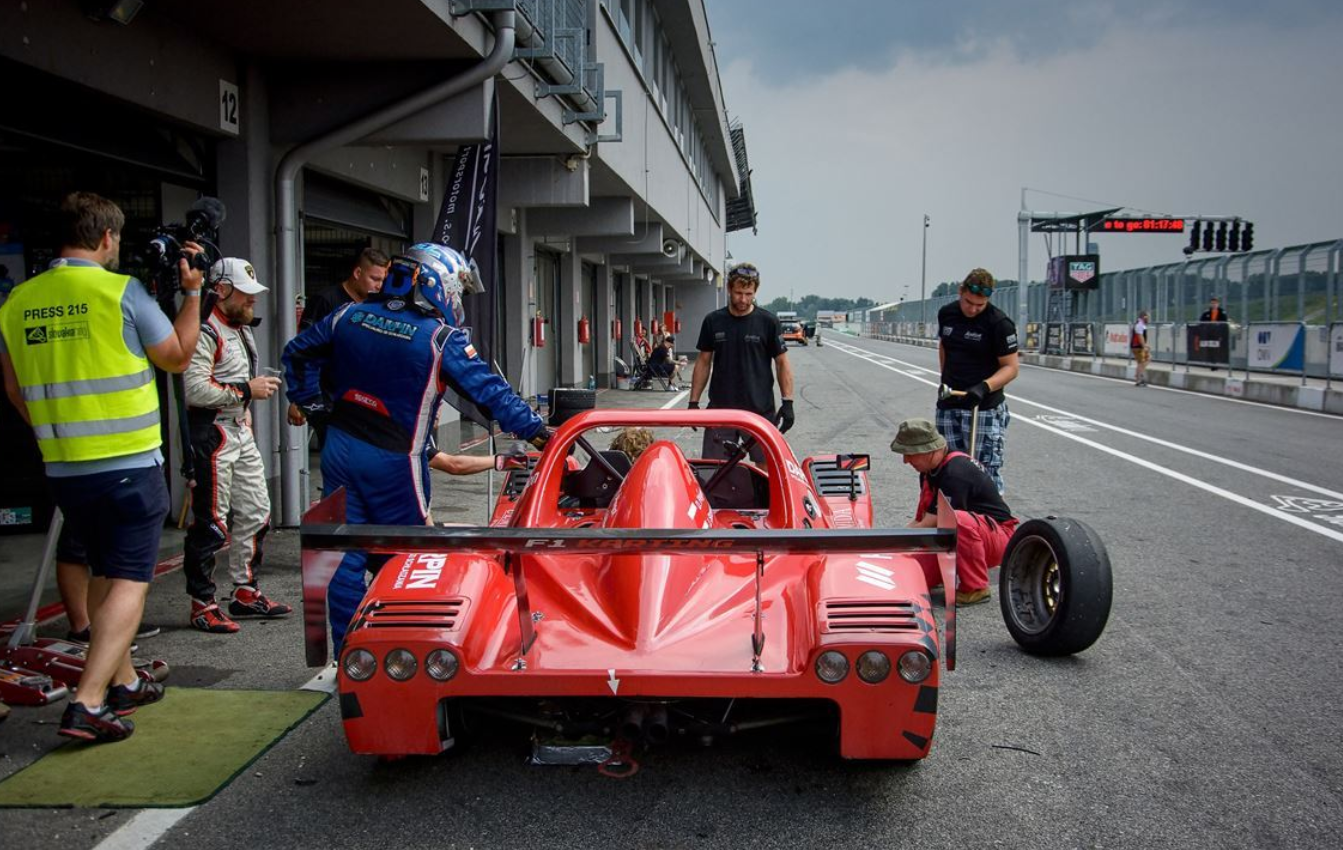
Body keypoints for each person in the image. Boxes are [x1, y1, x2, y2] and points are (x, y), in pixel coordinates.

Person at [0, 192, 203, 743]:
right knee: (130, 582)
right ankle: (89, 704)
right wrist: (191, 295)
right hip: (129, 464)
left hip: (64, 468)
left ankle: (125, 679)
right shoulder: (121, 292)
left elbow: (14, 389)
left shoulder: (17, 300)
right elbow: (177, 357)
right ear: (108, 238)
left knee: (100, 570)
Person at [283, 242, 547, 653]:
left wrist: (318, 411)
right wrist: (537, 431)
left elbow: (296, 355)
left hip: (339, 448)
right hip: (395, 461)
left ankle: (346, 654)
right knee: (410, 557)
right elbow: (490, 392)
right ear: (436, 283)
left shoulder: (346, 315)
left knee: (343, 555)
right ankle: (401, 654)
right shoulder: (441, 338)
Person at [181, 257, 292, 633]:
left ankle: (245, 591)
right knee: (211, 523)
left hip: (238, 431)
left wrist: (244, 406)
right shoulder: (204, 330)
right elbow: (192, 389)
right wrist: (247, 390)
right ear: (222, 290)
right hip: (211, 434)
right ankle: (202, 602)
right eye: (246, 295)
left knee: (258, 512)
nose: (253, 302)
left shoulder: (240, 328)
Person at [890, 418, 1018, 606]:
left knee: (955, 519)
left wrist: (888, 546)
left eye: (909, 454)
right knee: (905, 575)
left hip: (997, 538)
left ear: (929, 450)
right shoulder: (930, 470)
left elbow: (929, 525)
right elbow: (923, 519)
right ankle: (945, 573)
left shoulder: (955, 472)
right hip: (965, 538)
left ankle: (976, 588)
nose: (905, 460)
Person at [689, 262, 795, 462]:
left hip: (759, 411)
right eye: (738, 293)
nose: (743, 299)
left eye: (749, 294)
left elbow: (782, 363)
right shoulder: (713, 321)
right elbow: (703, 362)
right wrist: (693, 402)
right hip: (720, 411)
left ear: (755, 291)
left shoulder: (768, 322)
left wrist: (788, 402)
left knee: (766, 470)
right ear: (729, 289)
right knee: (713, 472)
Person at [935, 268, 1018, 493]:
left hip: (983, 408)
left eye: (979, 305)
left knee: (984, 472)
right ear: (960, 292)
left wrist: (985, 386)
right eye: (968, 302)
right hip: (950, 404)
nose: (972, 309)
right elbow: (944, 346)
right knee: (947, 468)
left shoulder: (999, 323)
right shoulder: (947, 313)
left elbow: (1011, 367)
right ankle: (953, 521)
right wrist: (946, 378)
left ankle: (989, 524)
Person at [289, 247, 391, 432]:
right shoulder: (326, 301)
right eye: (374, 279)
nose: (378, 286)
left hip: (364, 400)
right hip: (330, 400)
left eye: (382, 281)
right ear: (357, 273)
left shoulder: (375, 307)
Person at [1199, 296, 1230, 371]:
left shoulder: (1222, 313)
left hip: (1218, 333)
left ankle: (1216, 363)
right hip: (1209, 333)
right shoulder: (1206, 313)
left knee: (1217, 348)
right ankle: (1212, 362)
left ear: (1218, 304)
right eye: (1212, 303)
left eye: (1215, 303)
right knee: (1210, 348)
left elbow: (1224, 323)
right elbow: (1201, 322)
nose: (1214, 305)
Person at [1131, 309, 1151, 387]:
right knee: (1141, 362)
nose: (1149, 318)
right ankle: (1139, 379)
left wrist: (1145, 345)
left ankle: (1138, 375)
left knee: (1145, 360)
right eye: (1148, 317)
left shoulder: (1141, 324)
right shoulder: (1139, 325)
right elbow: (1140, 337)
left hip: (1138, 346)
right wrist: (1144, 346)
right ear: (1144, 317)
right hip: (1138, 347)